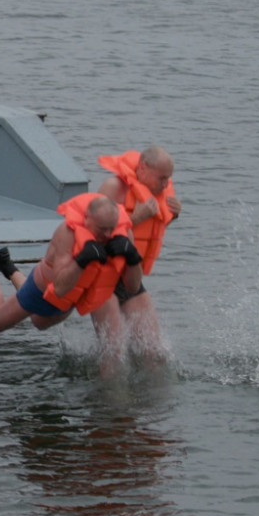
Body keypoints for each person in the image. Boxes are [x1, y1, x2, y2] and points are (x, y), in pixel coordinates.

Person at [0, 193, 144, 376]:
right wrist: (81, 260)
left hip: (81, 293)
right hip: (47, 287)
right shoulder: (67, 234)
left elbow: (133, 288)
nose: (107, 235)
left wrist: (134, 259)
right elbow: (60, 288)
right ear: (87, 219)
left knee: (110, 344)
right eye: (102, 229)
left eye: (111, 228)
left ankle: (8, 266)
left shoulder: (123, 232)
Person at [96, 146, 182, 361]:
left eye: (168, 179)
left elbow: (147, 236)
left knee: (154, 353)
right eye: (161, 178)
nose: (165, 184)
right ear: (142, 169)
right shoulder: (113, 188)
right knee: (114, 354)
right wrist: (136, 218)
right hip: (101, 278)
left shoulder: (157, 194)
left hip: (130, 278)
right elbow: (93, 236)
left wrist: (172, 216)